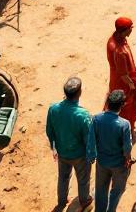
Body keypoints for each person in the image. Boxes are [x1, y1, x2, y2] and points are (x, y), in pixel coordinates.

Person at [46, 77, 95, 210]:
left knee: (63, 177)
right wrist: (91, 155)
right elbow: (88, 140)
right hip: (79, 156)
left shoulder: (53, 109)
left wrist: (54, 148)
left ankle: (62, 201)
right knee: (83, 179)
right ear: (79, 93)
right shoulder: (83, 115)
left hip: (62, 152)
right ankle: (84, 201)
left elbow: (49, 131)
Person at [92, 90, 133, 212]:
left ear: (108, 103)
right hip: (119, 164)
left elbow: (92, 139)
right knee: (118, 189)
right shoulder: (124, 124)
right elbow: (127, 147)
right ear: (122, 105)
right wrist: (128, 159)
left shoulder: (96, 119)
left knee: (100, 189)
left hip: (102, 162)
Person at [106, 18, 136, 128]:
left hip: (116, 79)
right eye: (130, 28)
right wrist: (132, 85)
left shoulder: (115, 38)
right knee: (126, 107)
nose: (131, 30)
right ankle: (127, 130)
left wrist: (134, 69)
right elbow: (123, 75)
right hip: (123, 84)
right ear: (124, 30)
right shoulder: (119, 51)